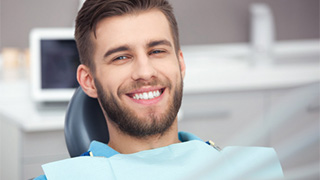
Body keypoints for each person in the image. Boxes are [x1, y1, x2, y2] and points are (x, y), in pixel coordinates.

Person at [35, 0, 284, 179]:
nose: (145, 72)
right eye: (121, 57)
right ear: (88, 81)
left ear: (180, 63)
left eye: (157, 51)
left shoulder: (252, 171)